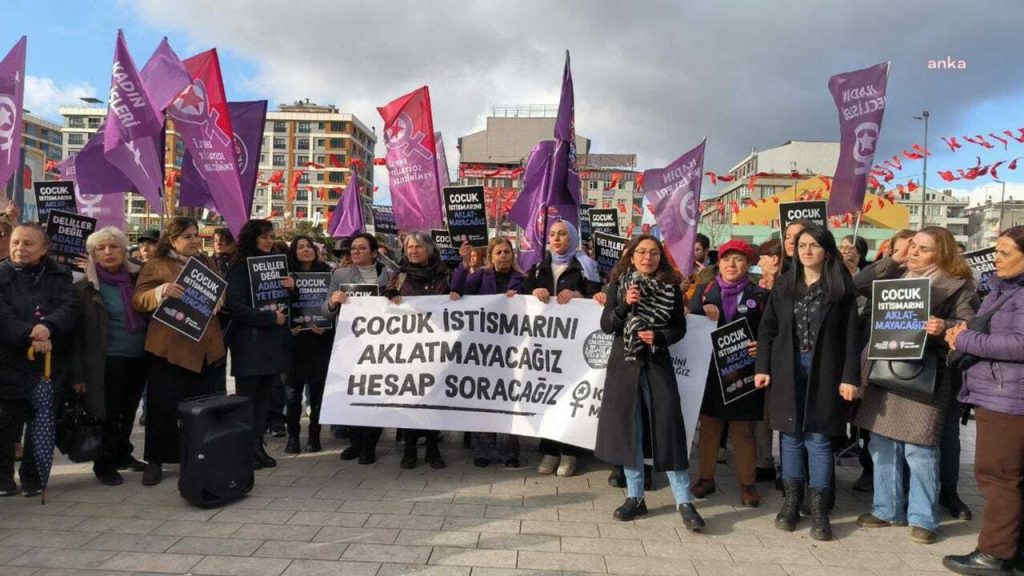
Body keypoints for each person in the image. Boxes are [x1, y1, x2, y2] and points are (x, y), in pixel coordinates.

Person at [853, 226, 978, 545]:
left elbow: (968, 324)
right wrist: (895, 257)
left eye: (923, 248)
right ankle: (886, 509)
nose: (915, 252)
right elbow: (859, 284)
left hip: (925, 374)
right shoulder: (896, 274)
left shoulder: (958, 284)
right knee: (882, 444)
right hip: (885, 368)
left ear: (943, 253)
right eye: (913, 246)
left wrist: (944, 326)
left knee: (920, 448)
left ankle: (923, 518)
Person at [754, 225, 861, 541]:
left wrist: (850, 377)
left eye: (814, 245)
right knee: (790, 436)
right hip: (787, 368)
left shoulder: (840, 288)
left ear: (826, 251)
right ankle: (790, 501)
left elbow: (852, 337)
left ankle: (818, 509)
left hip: (825, 370)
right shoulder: (785, 284)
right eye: (801, 245)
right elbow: (768, 329)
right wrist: (763, 366)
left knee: (818, 438)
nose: (806, 251)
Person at [594, 235, 705, 531]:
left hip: (657, 364)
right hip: (625, 367)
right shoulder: (619, 285)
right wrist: (623, 306)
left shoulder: (670, 288)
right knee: (631, 431)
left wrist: (659, 337)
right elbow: (607, 326)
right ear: (631, 257)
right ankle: (635, 497)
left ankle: (684, 501)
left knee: (668, 429)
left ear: (660, 257)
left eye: (653, 253)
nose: (647, 257)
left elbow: (678, 328)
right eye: (641, 252)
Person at [942, 226, 1024, 575]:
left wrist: (964, 341)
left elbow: (1019, 344)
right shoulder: (1002, 288)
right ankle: (1013, 552)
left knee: (998, 476)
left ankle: (994, 553)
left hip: (1008, 398)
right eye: (997, 251)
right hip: (996, 393)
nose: (997, 258)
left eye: (1006, 252)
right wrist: (961, 331)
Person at [132, 217, 226, 486]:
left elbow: (221, 288)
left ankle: (197, 456)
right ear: (172, 240)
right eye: (187, 236)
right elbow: (139, 299)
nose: (195, 240)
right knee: (163, 408)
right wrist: (161, 291)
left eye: (196, 235)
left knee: (203, 408)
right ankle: (156, 460)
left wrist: (220, 299)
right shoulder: (156, 265)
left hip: (206, 348)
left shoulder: (207, 262)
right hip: (170, 349)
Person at [0, 223, 79, 496]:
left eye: (28, 243)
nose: (20, 248)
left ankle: (32, 477)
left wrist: (48, 326)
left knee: (42, 421)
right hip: (8, 362)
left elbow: (69, 307)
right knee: (5, 424)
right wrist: (30, 334)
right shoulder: (1, 274)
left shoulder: (60, 274)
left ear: (44, 248)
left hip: (48, 364)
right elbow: (3, 315)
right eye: (16, 243)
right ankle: (2, 478)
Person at [689, 240, 767, 508]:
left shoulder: (760, 295)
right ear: (718, 263)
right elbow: (690, 323)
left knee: (743, 431)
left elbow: (770, 331)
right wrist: (701, 312)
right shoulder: (703, 291)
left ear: (748, 264)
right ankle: (705, 479)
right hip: (710, 372)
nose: (731, 265)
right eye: (726, 259)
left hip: (743, 372)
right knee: (709, 428)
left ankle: (747, 484)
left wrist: (762, 347)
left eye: (738, 259)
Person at [520, 219, 600, 477]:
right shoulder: (538, 268)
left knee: (568, 398)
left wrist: (580, 297)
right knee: (546, 395)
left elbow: (598, 298)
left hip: (572, 348)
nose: (556, 239)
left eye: (562, 234)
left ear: (572, 237)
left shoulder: (585, 267)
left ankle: (569, 453)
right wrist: (534, 291)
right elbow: (522, 295)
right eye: (552, 234)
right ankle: (549, 450)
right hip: (544, 345)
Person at [71, 227, 149, 486]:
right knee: (107, 413)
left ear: (124, 250)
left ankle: (122, 454)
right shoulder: (86, 287)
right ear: (92, 254)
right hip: (105, 361)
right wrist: (79, 374)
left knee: (128, 411)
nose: (108, 252)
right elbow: (78, 335)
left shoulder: (139, 279)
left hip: (138, 356)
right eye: (101, 248)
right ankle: (104, 462)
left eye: (114, 246)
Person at [450, 237, 525, 468]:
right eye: (499, 252)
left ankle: (509, 451)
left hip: (512, 349)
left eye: (507, 252)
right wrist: (463, 263)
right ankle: (482, 450)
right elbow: (458, 290)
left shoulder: (522, 280)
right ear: (490, 257)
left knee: (508, 398)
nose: (503, 256)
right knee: (484, 397)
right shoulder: (481, 277)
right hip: (483, 350)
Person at [224, 219, 293, 470]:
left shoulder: (277, 266)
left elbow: (284, 305)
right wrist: (268, 317)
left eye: (270, 236)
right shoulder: (240, 268)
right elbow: (236, 307)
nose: (268, 240)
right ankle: (244, 449)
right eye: (263, 236)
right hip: (249, 345)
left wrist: (290, 288)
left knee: (264, 399)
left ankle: (257, 444)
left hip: (272, 343)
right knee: (247, 400)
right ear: (252, 238)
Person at [324, 233, 394, 465]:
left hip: (380, 347)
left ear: (374, 253)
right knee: (352, 394)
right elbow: (325, 310)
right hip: (350, 347)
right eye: (353, 248)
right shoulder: (340, 274)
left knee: (375, 395)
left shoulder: (390, 276)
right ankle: (356, 442)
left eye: (362, 248)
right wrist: (333, 301)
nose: (355, 252)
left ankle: (370, 445)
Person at [384, 232, 451, 469]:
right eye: (409, 247)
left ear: (429, 250)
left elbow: (456, 300)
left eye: (418, 247)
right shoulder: (399, 276)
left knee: (434, 399)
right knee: (410, 398)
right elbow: (385, 298)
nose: (413, 251)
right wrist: (390, 296)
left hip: (437, 347)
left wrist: (456, 296)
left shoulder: (445, 273)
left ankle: (433, 448)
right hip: (409, 349)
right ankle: (410, 448)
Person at [283, 235, 332, 454]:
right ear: (293, 252)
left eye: (309, 246)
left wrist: (326, 325)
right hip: (294, 342)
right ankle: (293, 437)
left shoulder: (328, 274)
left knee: (318, 394)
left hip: (319, 341)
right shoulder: (285, 276)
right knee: (293, 396)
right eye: (300, 247)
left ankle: (314, 436)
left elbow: (334, 306)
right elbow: (278, 305)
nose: (306, 250)